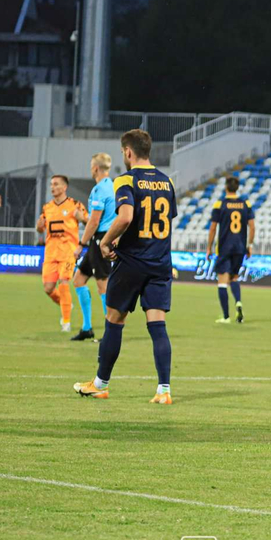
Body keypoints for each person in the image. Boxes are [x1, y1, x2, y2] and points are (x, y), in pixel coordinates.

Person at [74, 129, 176, 404]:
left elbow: (127, 216)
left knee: (114, 321)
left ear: (128, 152)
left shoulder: (126, 180)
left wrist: (106, 242)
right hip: (160, 264)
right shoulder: (167, 182)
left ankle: (100, 384)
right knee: (157, 325)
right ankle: (163, 390)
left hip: (132, 263)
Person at [71, 154, 116, 341]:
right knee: (79, 279)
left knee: (102, 285)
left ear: (96, 168)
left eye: (91, 166)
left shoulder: (100, 189)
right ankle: (87, 328)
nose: (91, 169)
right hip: (100, 240)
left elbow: (95, 221)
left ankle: (111, 332)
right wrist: (83, 219)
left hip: (100, 241)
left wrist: (81, 244)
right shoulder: (113, 186)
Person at [37, 174, 86, 333]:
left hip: (68, 252)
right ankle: (67, 305)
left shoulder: (75, 205)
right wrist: (39, 227)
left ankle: (66, 322)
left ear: (64, 187)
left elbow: (90, 221)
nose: (52, 187)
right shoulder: (47, 208)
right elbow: (41, 229)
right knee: (48, 288)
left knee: (64, 283)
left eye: (56, 184)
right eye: (51, 184)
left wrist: (83, 219)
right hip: (51, 253)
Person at [205, 176, 255, 324]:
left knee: (222, 281)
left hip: (224, 247)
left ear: (226, 187)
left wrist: (208, 248)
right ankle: (238, 302)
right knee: (234, 278)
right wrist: (249, 245)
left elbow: (213, 227)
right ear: (237, 188)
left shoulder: (220, 204)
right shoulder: (245, 203)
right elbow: (252, 226)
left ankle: (226, 316)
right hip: (240, 247)